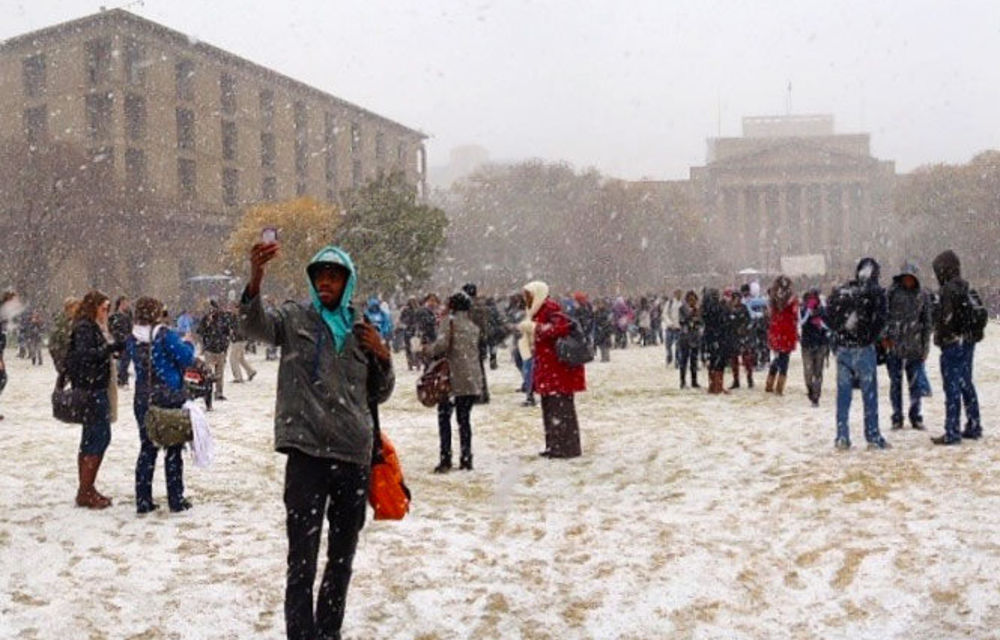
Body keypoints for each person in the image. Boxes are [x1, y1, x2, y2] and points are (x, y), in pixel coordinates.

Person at [241, 241, 394, 640]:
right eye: (319, 275)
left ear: (348, 281)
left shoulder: (363, 329)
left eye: (334, 275)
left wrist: (384, 356)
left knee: (342, 559)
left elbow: (379, 393)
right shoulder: (295, 318)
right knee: (302, 562)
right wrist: (256, 278)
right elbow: (254, 325)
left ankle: (329, 631)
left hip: (352, 456)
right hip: (307, 455)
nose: (325, 281)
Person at [129, 297, 197, 514]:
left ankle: (143, 498)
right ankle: (175, 498)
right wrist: (187, 341)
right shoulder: (164, 335)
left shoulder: (133, 337)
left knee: (147, 446)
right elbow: (185, 358)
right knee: (174, 446)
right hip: (168, 394)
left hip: (143, 396)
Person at [66, 290, 123, 508]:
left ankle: (87, 487)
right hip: (91, 390)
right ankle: (85, 489)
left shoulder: (92, 327)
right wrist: (108, 348)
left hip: (95, 388)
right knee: (98, 437)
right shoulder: (85, 328)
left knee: (92, 438)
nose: (106, 312)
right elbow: (85, 356)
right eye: (103, 308)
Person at [827, 258, 890, 450]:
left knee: (843, 396)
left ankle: (842, 435)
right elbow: (881, 319)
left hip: (844, 348)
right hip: (864, 348)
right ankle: (872, 435)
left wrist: (840, 336)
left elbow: (830, 317)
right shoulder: (875, 293)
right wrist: (870, 337)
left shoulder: (842, 292)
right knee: (869, 395)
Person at [524, 280, 584, 458]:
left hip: (556, 368)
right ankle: (555, 444)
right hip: (548, 368)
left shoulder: (549, 309)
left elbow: (559, 329)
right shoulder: (538, 311)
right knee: (551, 408)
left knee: (560, 409)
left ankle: (564, 446)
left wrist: (537, 329)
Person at [425, 291, 483, 472]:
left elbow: (441, 347)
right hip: (470, 378)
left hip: (451, 378)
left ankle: (446, 458)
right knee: (464, 420)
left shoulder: (448, 324)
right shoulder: (473, 327)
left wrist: (427, 349)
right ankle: (466, 458)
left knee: (444, 418)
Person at [930, 250, 983, 445]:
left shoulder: (947, 291)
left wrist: (941, 338)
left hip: (952, 343)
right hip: (967, 342)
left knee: (951, 388)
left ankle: (952, 431)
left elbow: (944, 320)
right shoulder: (968, 289)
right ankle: (974, 424)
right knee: (966, 383)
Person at [884, 262, 932, 430]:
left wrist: (925, 348)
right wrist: (885, 337)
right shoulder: (891, 293)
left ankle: (915, 415)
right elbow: (884, 316)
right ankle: (897, 417)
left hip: (914, 347)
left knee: (915, 385)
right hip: (895, 346)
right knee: (895, 384)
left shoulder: (922, 295)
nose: (908, 281)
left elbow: (927, 323)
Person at [765, 276, 799, 396]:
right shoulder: (792, 299)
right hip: (788, 331)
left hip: (776, 330)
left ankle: (770, 382)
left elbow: (770, 314)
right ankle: (779, 387)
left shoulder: (773, 298)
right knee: (784, 358)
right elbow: (795, 315)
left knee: (779, 357)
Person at [799, 289, 831, 407]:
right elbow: (800, 323)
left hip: (820, 344)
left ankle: (816, 396)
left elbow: (828, 326)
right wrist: (808, 314)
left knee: (818, 372)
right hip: (807, 345)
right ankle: (811, 390)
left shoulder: (823, 311)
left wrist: (820, 321)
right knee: (808, 373)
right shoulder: (803, 311)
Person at [197, 300, 233, 401]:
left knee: (219, 373)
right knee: (208, 373)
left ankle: (219, 393)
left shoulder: (223, 319)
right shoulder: (206, 319)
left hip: (220, 349)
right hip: (209, 349)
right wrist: (207, 324)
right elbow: (200, 331)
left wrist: (225, 346)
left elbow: (227, 332)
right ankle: (207, 392)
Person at [677, 290, 702, 389]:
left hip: (695, 336)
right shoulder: (682, 309)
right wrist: (690, 316)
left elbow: (700, 322)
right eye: (690, 300)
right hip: (685, 337)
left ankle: (694, 381)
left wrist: (697, 320)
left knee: (694, 360)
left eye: (694, 300)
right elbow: (682, 321)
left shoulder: (698, 309)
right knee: (684, 360)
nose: (692, 302)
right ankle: (682, 381)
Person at [228, 301, 257, 384]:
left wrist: (233, 333)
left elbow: (239, 329)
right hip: (240, 340)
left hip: (238, 340)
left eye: (234, 308)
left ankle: (238, 377)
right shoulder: (237, 317)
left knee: (233, 359)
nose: (232, 309)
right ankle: (251, 371)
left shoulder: (240, 317)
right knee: (240, 358)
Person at [109, 297, 133, 387]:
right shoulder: (114, 317)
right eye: (124, 303)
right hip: (118, 341)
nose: (126, 305)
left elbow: (130, 328)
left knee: (125, 362)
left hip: (126, 341)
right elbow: (112, 328)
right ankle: (120, 379)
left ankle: (123, 379)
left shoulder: (128, 316)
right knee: (120, 362)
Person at [664, 289, 682, 367]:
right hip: (670, 327)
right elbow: (665, 314)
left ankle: (677, 361)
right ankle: (669, 356)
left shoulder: (682, 304)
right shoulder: (670, 303)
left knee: (678, 346)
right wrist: (669, 322)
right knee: (668, 345)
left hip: (678, 328)